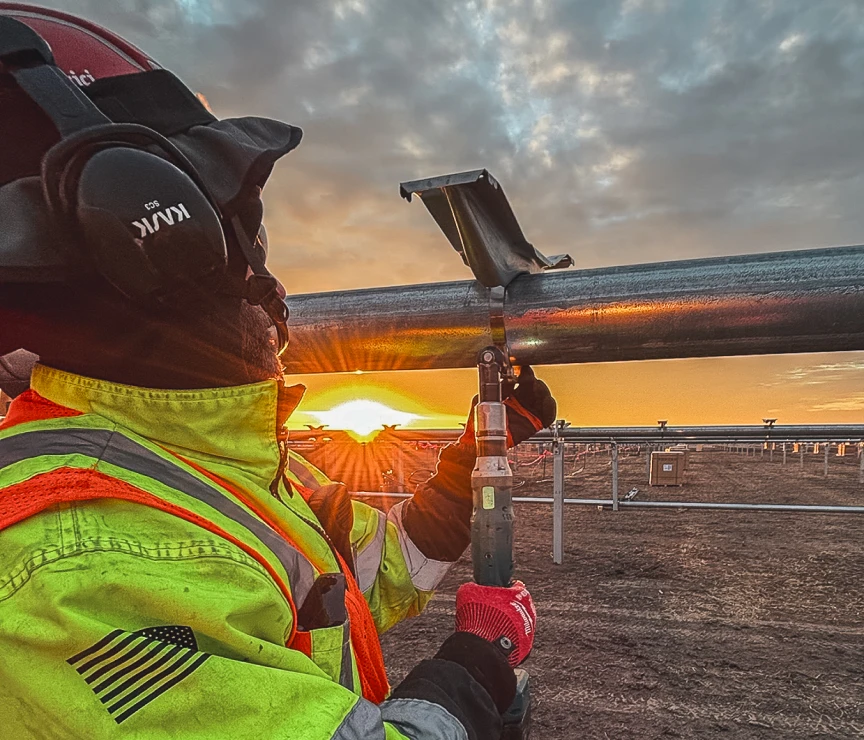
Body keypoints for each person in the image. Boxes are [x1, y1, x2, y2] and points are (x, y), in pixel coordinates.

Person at [0, 5, 556, 739]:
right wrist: (470, 676)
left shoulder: (199, 464)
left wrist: (470, 462)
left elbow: (370, 565)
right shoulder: (75, 571)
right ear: (163, 234)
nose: (275, 281)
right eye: (248, 231)